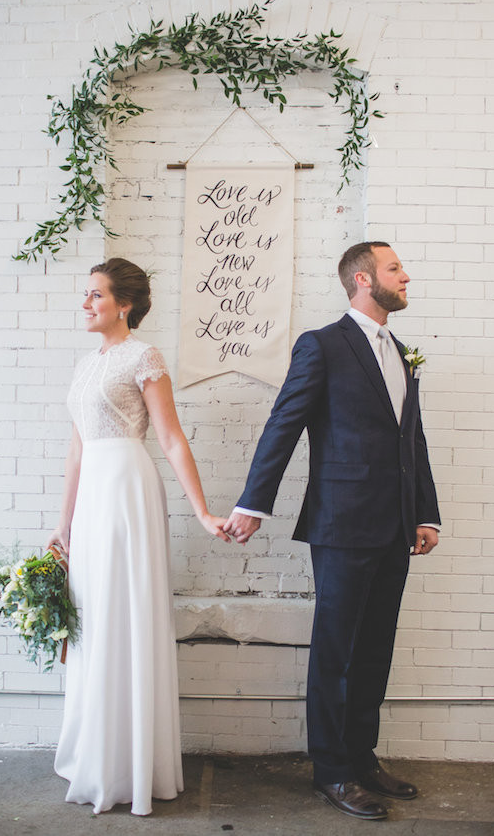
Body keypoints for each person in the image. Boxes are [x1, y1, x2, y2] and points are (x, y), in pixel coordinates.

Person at [223, 242, 440, 821]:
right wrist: (253, 504)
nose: (406, 276)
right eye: (397, 268)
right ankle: (333, 772)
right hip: (342, 525)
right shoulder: (321, 345)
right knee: (338, 653)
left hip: (396, 527)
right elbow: (284, 423)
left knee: (374, 650)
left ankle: (362, 758)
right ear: (365, 279)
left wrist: (425, 513)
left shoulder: (401, 352)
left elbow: (409, 440)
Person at [47, 257, 229, 817]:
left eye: (95, 295)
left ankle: (132, 764)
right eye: (86, 295)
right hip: (93, 498)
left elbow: (171, 438)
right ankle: (99, 754)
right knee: (93, 618)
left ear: (122, 304)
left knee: (123, 613)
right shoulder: (85, 364)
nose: (86, 303)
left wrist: (200, 511)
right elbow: (77, 450)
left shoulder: (144, 356)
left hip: (128, 491)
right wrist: (63, 522)